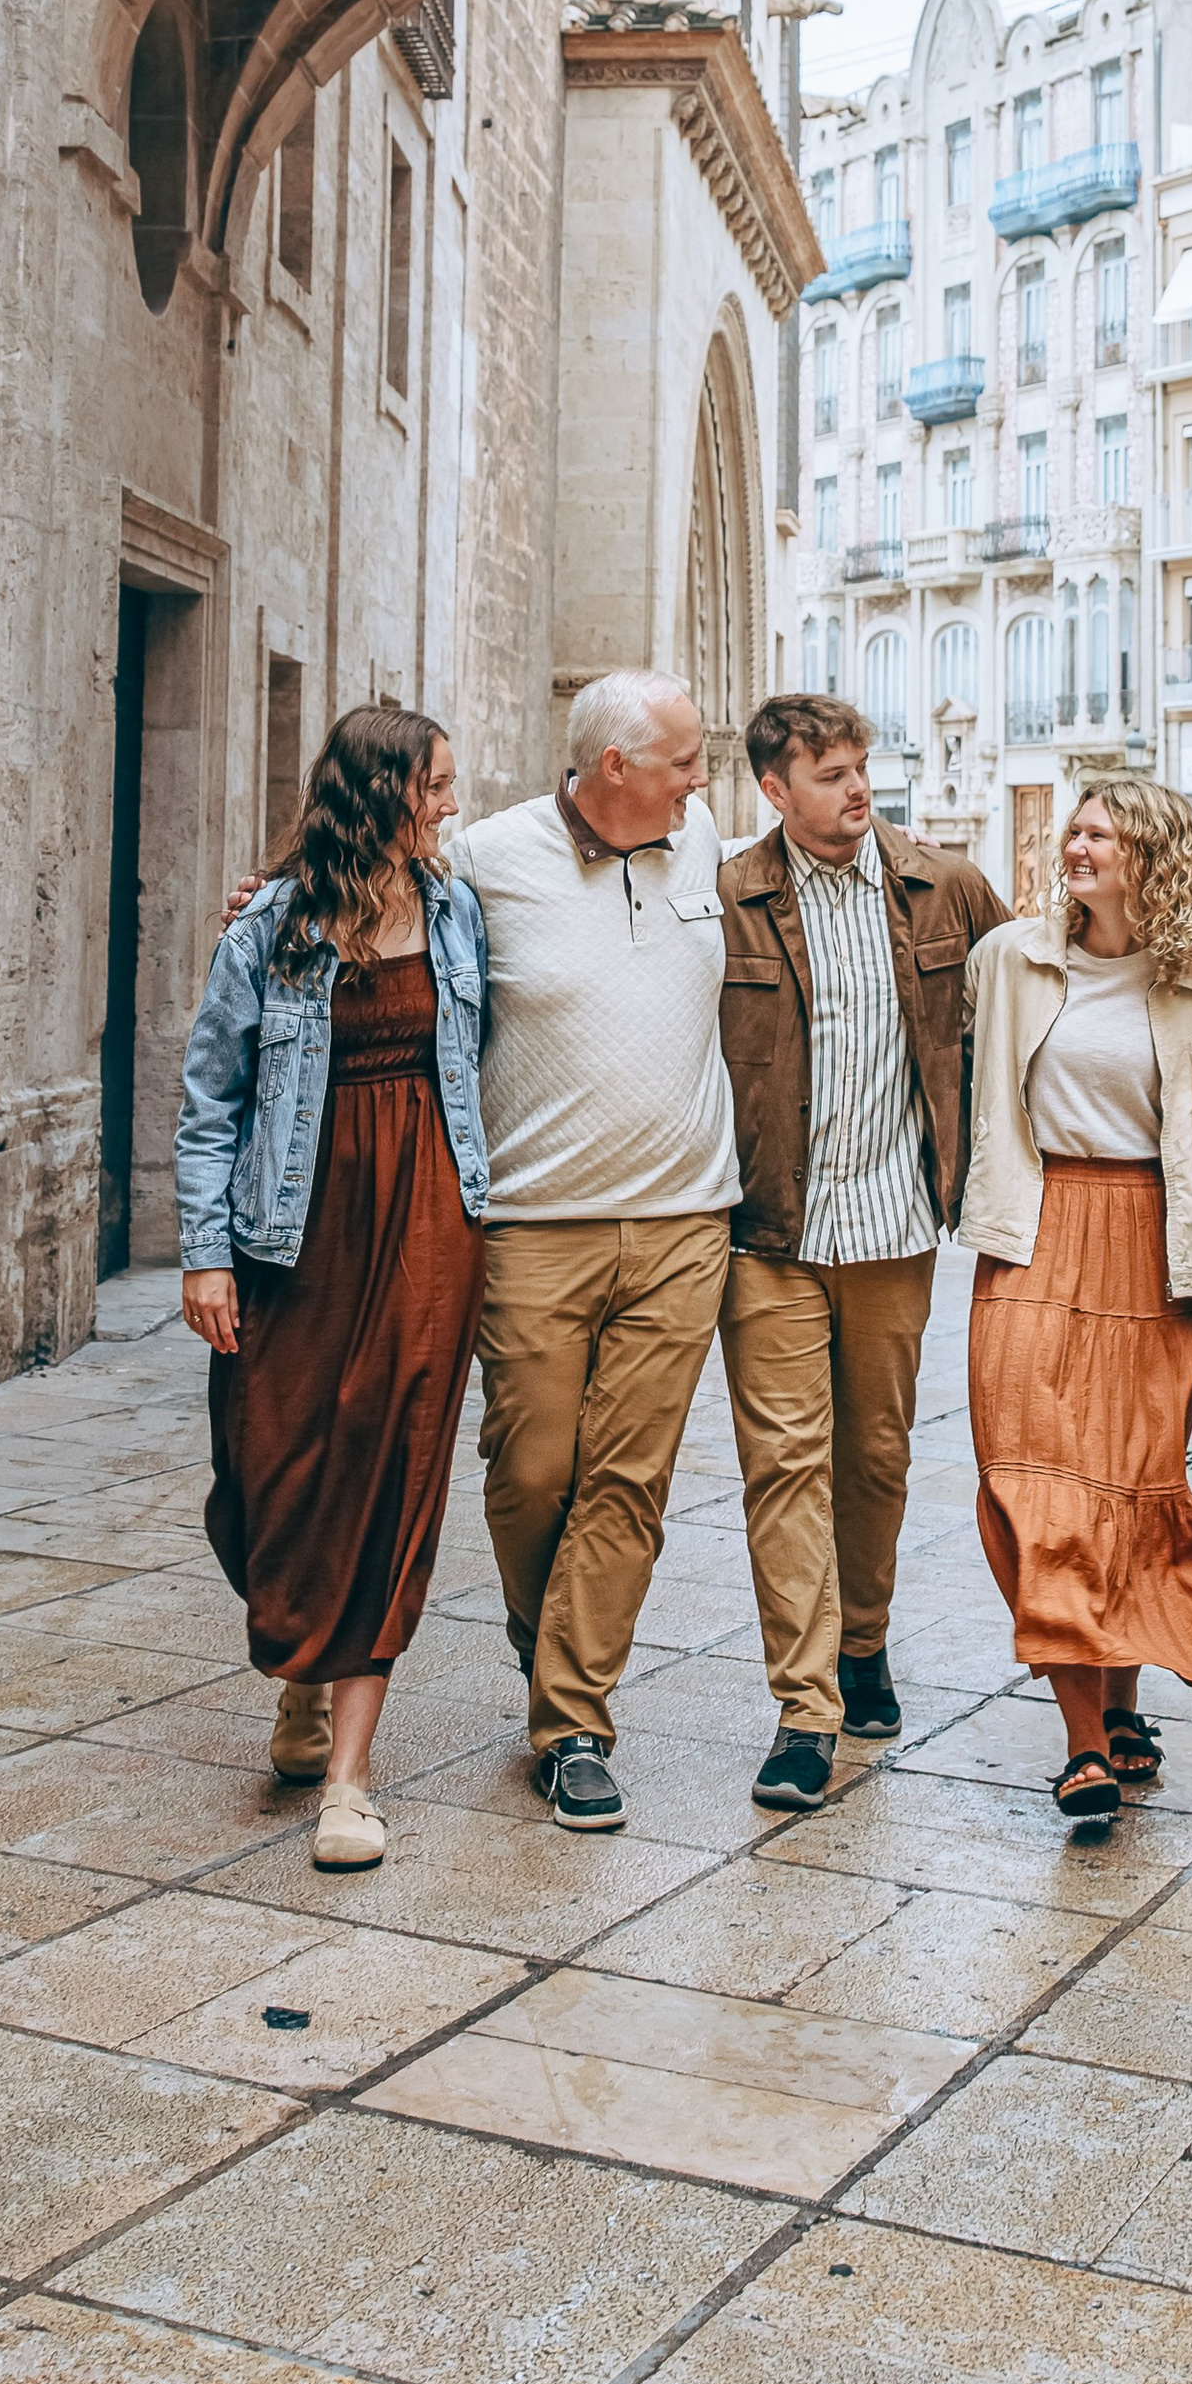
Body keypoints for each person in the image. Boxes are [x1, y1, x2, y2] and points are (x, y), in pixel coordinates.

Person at [174, 705, 490, 1873]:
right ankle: (302, 1661)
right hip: (287, 1227)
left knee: (391, 1466)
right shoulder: (271, 923)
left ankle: (349, 1777)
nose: (451, 803)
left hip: (427, 1224)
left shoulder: (456, 909)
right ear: (381, 794)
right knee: (265, 1469)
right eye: (435, 785)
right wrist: (206, 1250)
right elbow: (211, 1097)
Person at [454, 671, 738, 1835]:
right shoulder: (484, 858)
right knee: (530, 1471)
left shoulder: (702, 840)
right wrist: (265, 903)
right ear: (613, 766)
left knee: (628, 1481)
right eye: (683, 759)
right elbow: (365, 897)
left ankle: (573, 1719)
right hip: (532, 1225)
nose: (702, 780)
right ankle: (550, 1630)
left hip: (684, 1221)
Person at [715, 693, 1007, 1813]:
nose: (856, 789)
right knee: (783, 1463)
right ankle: (805, 1709)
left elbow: (1049, 975)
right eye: (829, 773)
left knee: (874, 1455)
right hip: (770, 1230)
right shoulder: (729, 896)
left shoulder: (944, 886)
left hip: (892, 1224)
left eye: (860, 767)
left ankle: (863, 1641)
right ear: (774, 790)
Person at [960, 777, 1192, 1829]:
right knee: (1030, 1482)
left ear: (1150, 858)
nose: (1076, 845)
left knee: (1131, 1483)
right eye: (1073, 829)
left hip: (1150, 1236)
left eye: (1101, 834)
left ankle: (1122, 1709)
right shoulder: (1012, 961)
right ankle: (1081, 1742)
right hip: (1034, 1229)